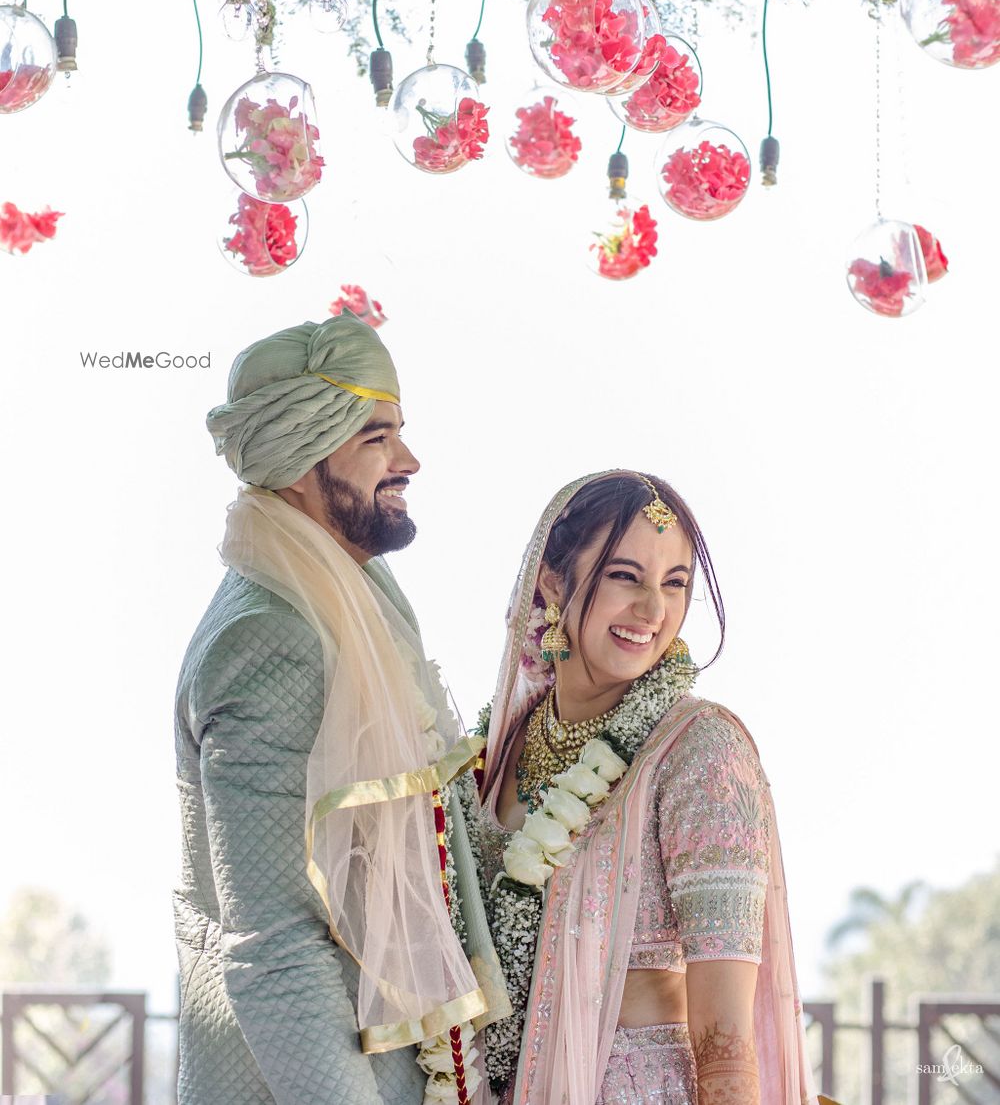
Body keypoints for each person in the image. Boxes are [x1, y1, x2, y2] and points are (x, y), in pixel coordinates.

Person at [173, 312, 505, 1105]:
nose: (409, 460)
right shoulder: (269, 636)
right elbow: (274, 944)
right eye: (376, 437)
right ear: (300, 453)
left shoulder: (347, 592)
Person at [475, 470, 818, 1105]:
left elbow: (727, 1042)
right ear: (553, 582)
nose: (653, 610)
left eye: (675, 583)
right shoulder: (501, 749)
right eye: (625, 576)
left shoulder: (702, 752)